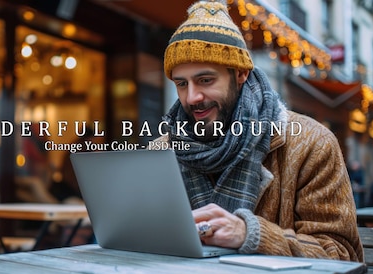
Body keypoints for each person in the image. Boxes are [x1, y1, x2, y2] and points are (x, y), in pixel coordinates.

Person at [155, 0, 362, 261]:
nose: (192, 96)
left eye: (205, 80)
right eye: (181, 83)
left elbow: (343, 254)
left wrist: (252, 235)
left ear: (240, 74)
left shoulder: (312, 143)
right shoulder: (161, 150)